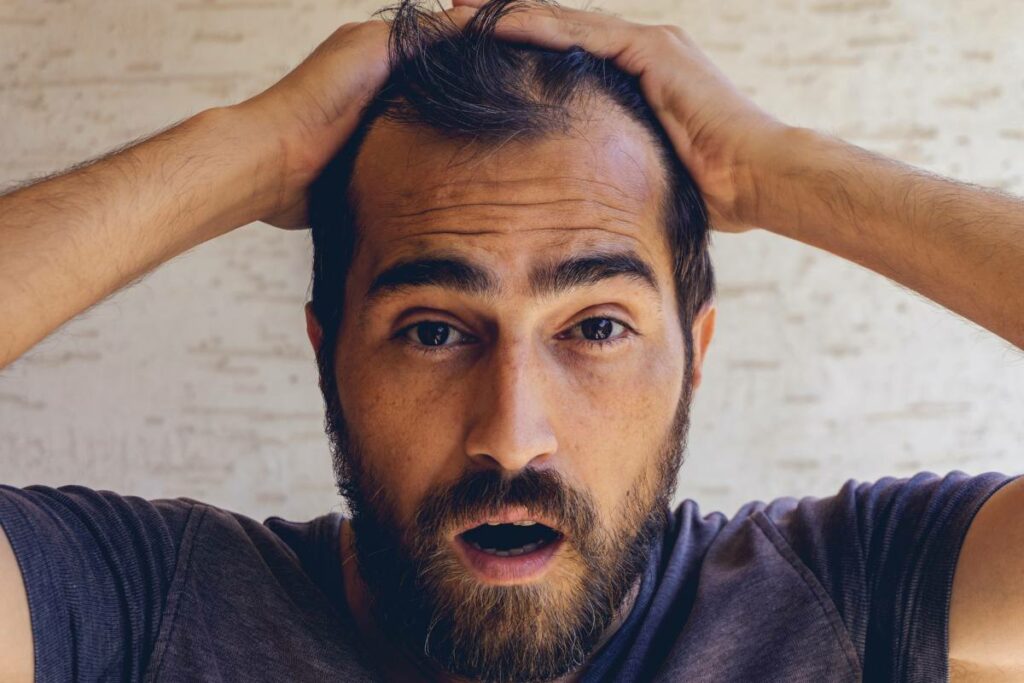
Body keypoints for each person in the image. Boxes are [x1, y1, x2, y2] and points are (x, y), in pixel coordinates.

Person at [0, 0, 1021, 680]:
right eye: (433, 329)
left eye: (597, 326)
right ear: (328, 355)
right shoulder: (146, 605)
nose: (513, 433)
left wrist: (771, 167)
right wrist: (253, 146)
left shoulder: (850, 596)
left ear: (695, 355)